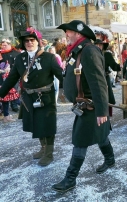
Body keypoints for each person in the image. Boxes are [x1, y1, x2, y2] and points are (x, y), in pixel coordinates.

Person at [52, 20, 115, 193]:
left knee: (80, 141)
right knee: (101, 135)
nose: (66, 35)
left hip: (91, 106)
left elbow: (99, 82)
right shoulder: (77, 51)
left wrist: (102, 110)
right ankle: (110, 160)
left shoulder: (89, 50)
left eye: (68, 32)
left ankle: (70, 179)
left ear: (79, 33)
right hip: (83, 105)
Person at [0, 31, 63, 166]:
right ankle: (43, 148)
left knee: (47, 125)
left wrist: (73, 92)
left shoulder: (48, 57)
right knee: (36, 124)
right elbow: (12, 78)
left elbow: (60, 75)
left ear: (37, 41)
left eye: (32, 40)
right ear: (23, 43)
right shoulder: (20, 58)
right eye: (26, 41)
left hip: (45, 97)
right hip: (29, 97)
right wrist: (1, 93)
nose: (29, 43)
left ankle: (49, 153)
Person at [0, 38, 20, 112]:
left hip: (14, 75)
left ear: (9, 45)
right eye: (2, 45)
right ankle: (5, 107)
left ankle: (14, 105)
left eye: (5, 45)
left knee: (14, 90)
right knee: (5, 90)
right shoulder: (1, 53)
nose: (3, 47)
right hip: (3, 75)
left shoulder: (16, 52)